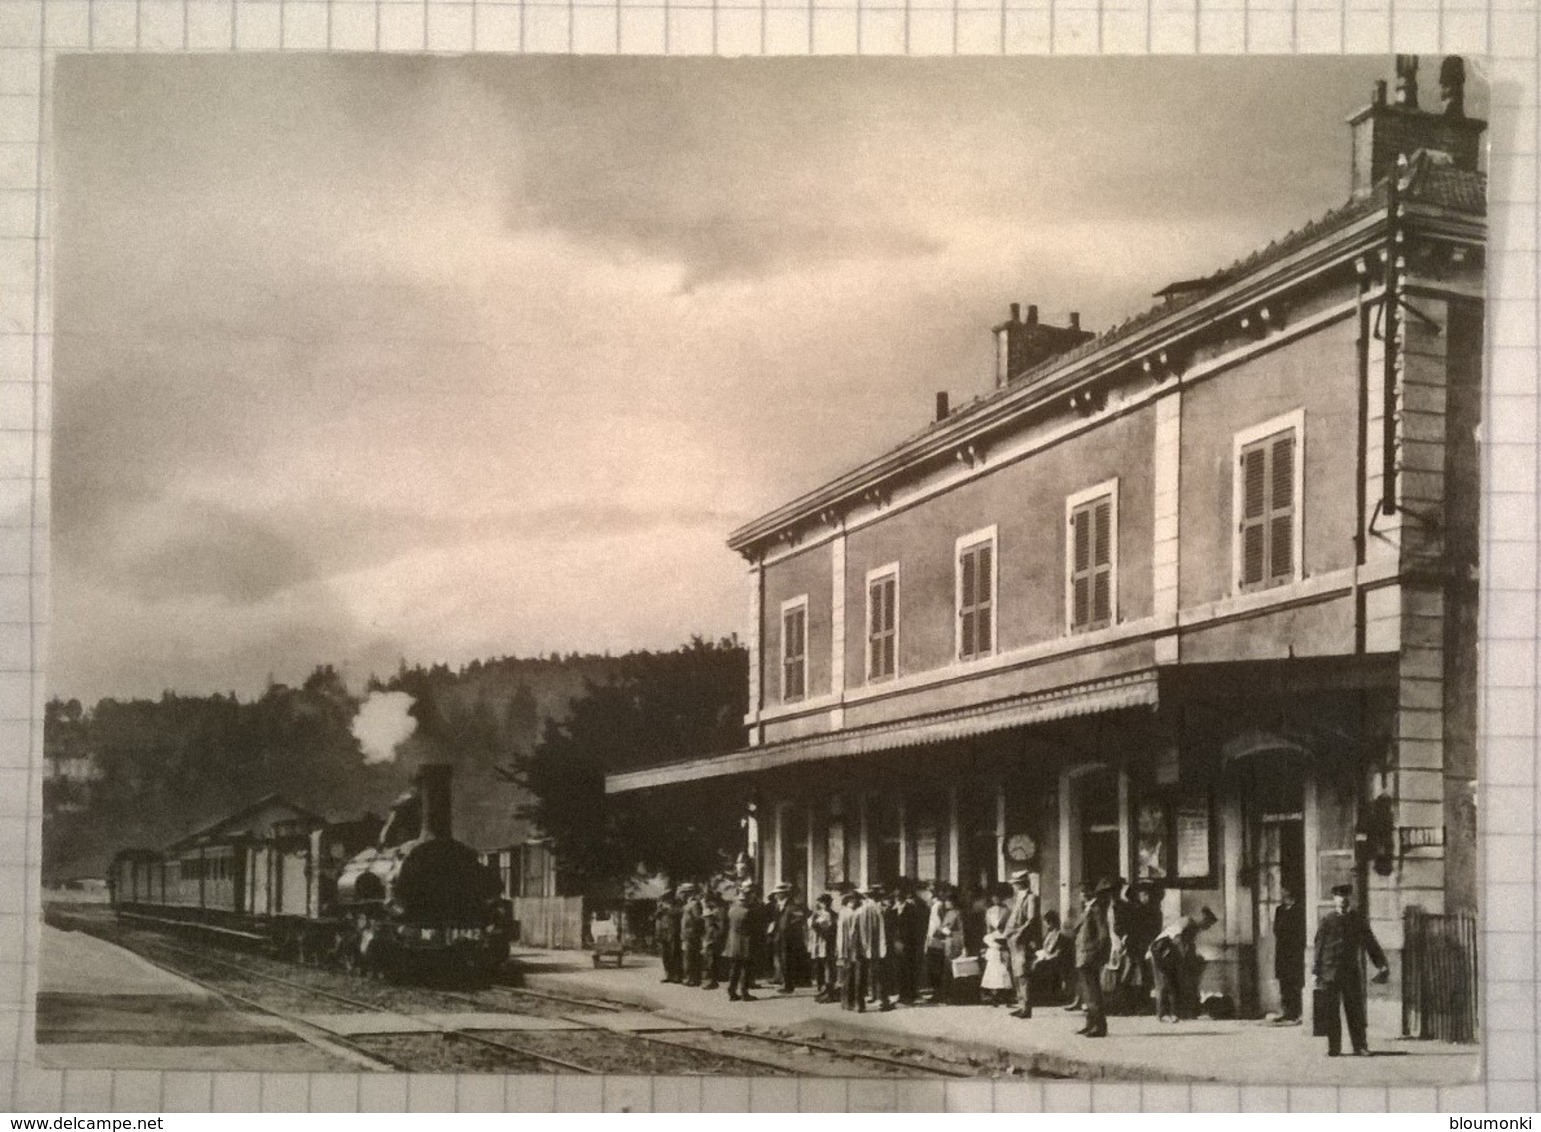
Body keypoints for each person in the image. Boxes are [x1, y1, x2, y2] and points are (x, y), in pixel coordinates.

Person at [1313, 883, 1389, 1056]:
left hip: (1350, 972)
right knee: (1331, 1012)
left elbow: (1370, 944)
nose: (1343, 899)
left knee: (1355, 1011)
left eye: (1346, 896)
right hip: (1329, 972)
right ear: (1334, 899)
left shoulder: (1357, 920)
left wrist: (1381, 964)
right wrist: (1315, 972)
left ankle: (1360, 1046)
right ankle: (1334, 1048)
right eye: (1339, 896)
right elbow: (1319, 947)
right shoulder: (1327, 920)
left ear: (1350, 899)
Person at [1150, 906, 1217, 1022]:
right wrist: (1183, 959)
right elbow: (1177, 938)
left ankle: (1176, 1012)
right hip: (1160, 952)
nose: (1207, 927)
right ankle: (1163, 1014)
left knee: (1174, 983)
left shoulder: (1194, 929)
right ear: (1203, 917)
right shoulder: (1186, 922)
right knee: (1164, 983)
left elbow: (1189, 947)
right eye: (1208, 923)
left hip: (1170, 955)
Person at [1074, 879, 1113, 1037]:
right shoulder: (1088, 908)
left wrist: (1096, 952)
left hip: (1089, 955)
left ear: (1088, 892)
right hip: (1083, 954)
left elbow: (1103, 934)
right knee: (1087, 992)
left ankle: (1099, 1026)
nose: (1080, 895)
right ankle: (1090, 1023)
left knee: (1093, 992)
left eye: (1082, 892)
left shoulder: (1096, 908)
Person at [1001, 869, 1040, 1018]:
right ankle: (1021, 1003)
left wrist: (1018, 934)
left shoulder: (1031, 898)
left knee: (1022, 973)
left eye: (1016, 884)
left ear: (1022, 884)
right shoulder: (1018, 898)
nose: (1015, 886)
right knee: (1016, 973)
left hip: (1022, 940)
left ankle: (1026, 1007)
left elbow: (1031, 920)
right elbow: (1013, 918)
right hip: (1012, 939)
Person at [854, 884, 892, 1012]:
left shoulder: (859, 911)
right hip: (879, 949)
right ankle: (883, 1002)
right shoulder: (883, 911)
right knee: (881, 976)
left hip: (862, 948)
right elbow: (887, 932)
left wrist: (856, 948)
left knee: (862, 975)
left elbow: (854, 933)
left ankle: (860, 1004)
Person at [1273, 885, 1307, 1023]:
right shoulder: (1279, 910)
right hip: (1282, 950)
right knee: (1283, 982)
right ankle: (1286, 1012)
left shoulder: (1299, 910)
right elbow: (1276, 929)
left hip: (1294, 952)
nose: (1281, 893)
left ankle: (1296, 1012)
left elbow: (1300, 932)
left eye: (1283, 890)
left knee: (1295, 982)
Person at [980, 884, 1016, 1007]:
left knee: (1005, 968)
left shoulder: (1008, 911)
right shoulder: (989, 911)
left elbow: (1011, 927)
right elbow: (988, 929)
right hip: (993, 941)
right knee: (993, 968)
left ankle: (1007, 995)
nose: (995, 899)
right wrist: (990, 940)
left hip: (1004, 941)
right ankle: (994, 995)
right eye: (993, 897)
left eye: (998, 897)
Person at [893, 882, 927, 1004]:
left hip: (909, 944)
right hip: (897, 944)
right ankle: (903, 994)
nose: (897, 899)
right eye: (896, 897)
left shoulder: (911, 909)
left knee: (909, 969)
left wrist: (905, 941)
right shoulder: (894, 910)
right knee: (900, 969)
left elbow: (914, 928)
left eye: (899, 897)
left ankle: (909, 995)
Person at [724, 884, 758, 1002]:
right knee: (745, 968)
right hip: (745, 943)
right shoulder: (748, 911)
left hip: (733, 943)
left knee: (734, 968)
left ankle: (731, 991)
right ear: (748, 898)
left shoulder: (732, 910)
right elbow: (754, 928)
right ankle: (744, 992)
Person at [1032, 909, 1073, 1003]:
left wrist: (1039, 952)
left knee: (1038, 965)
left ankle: (1046, 997)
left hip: (1054, 959)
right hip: (1049, 956)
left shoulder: (1057, 934)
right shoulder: (1050, 933)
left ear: (1050, 922)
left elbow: (1052, 950)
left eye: (1046, 922)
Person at [805, 893, 838, 1002]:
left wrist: (829, 933)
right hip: (819, 942)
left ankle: (829, 988)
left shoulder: (834, 915)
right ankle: (821, 986)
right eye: (823, 902)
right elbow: (811, 926)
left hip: (829, 943)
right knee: (820, 964)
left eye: (828, 902)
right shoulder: (816, 915)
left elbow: (836, 928)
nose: (826, 905)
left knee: (829, 964)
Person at [836, 889, 864, 1011]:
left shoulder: (857, 912)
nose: (853, 902)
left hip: (854, 948)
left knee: (854, 976)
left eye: (855, 899)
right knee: (852, 976)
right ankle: (852, 1003)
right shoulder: (848, 913)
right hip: (851, 948)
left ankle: (852, 1003)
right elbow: (841, 934)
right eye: (851, 900)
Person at [655, 888, 683, 985]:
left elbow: (679, 913)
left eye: (666, 897)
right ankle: (668, 975)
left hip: (672, 932)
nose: (665, 899)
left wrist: (668, 909)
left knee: (674, 953)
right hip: (663, 932)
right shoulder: (661, 906)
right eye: (663, 897)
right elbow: (657, 918)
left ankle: (677, 976)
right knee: (665, 955)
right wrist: (659, 912)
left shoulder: (677, 905)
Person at [679, 883, 705, 987]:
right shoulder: (688, 904)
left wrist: (696, 933)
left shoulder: (694, 904)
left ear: (688, 893)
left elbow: (698, 919)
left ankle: (692, 978)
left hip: (691, 935)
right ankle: (690, 978)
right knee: (688, 956)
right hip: (687, 934)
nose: (682, 895)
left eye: (683, 893)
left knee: (690, 957)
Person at [702, 889, 726, 991]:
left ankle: (712, 981)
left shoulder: (719, 911)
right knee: (710, 961)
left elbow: (721, 927)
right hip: (712, 937)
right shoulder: (717, 910)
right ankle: (712, 980)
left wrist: (712, 939)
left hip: (714, 938)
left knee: (712, 961)